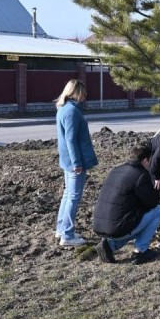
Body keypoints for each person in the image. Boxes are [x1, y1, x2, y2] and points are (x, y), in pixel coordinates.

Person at [92, 145, 160, 265]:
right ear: (145, 160)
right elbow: (152, 202)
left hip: (99, 224)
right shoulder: (141, 175)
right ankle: (140, 251)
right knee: (157, 211)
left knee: (131, 221)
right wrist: (156, 188)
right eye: (151, 161)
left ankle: (109, 245)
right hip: (117, 227)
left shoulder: (116, 170)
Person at [55, 79, 98, 247]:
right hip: (74, 162)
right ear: (75, 92)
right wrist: (77, 163)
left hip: (68, 161)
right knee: (73, 197)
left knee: (67, 195)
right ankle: (67, 235)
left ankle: (61, 228)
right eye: (83, 92)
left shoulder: (64, 108)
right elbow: (70, 140)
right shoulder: (71, 111)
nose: (86, 95)